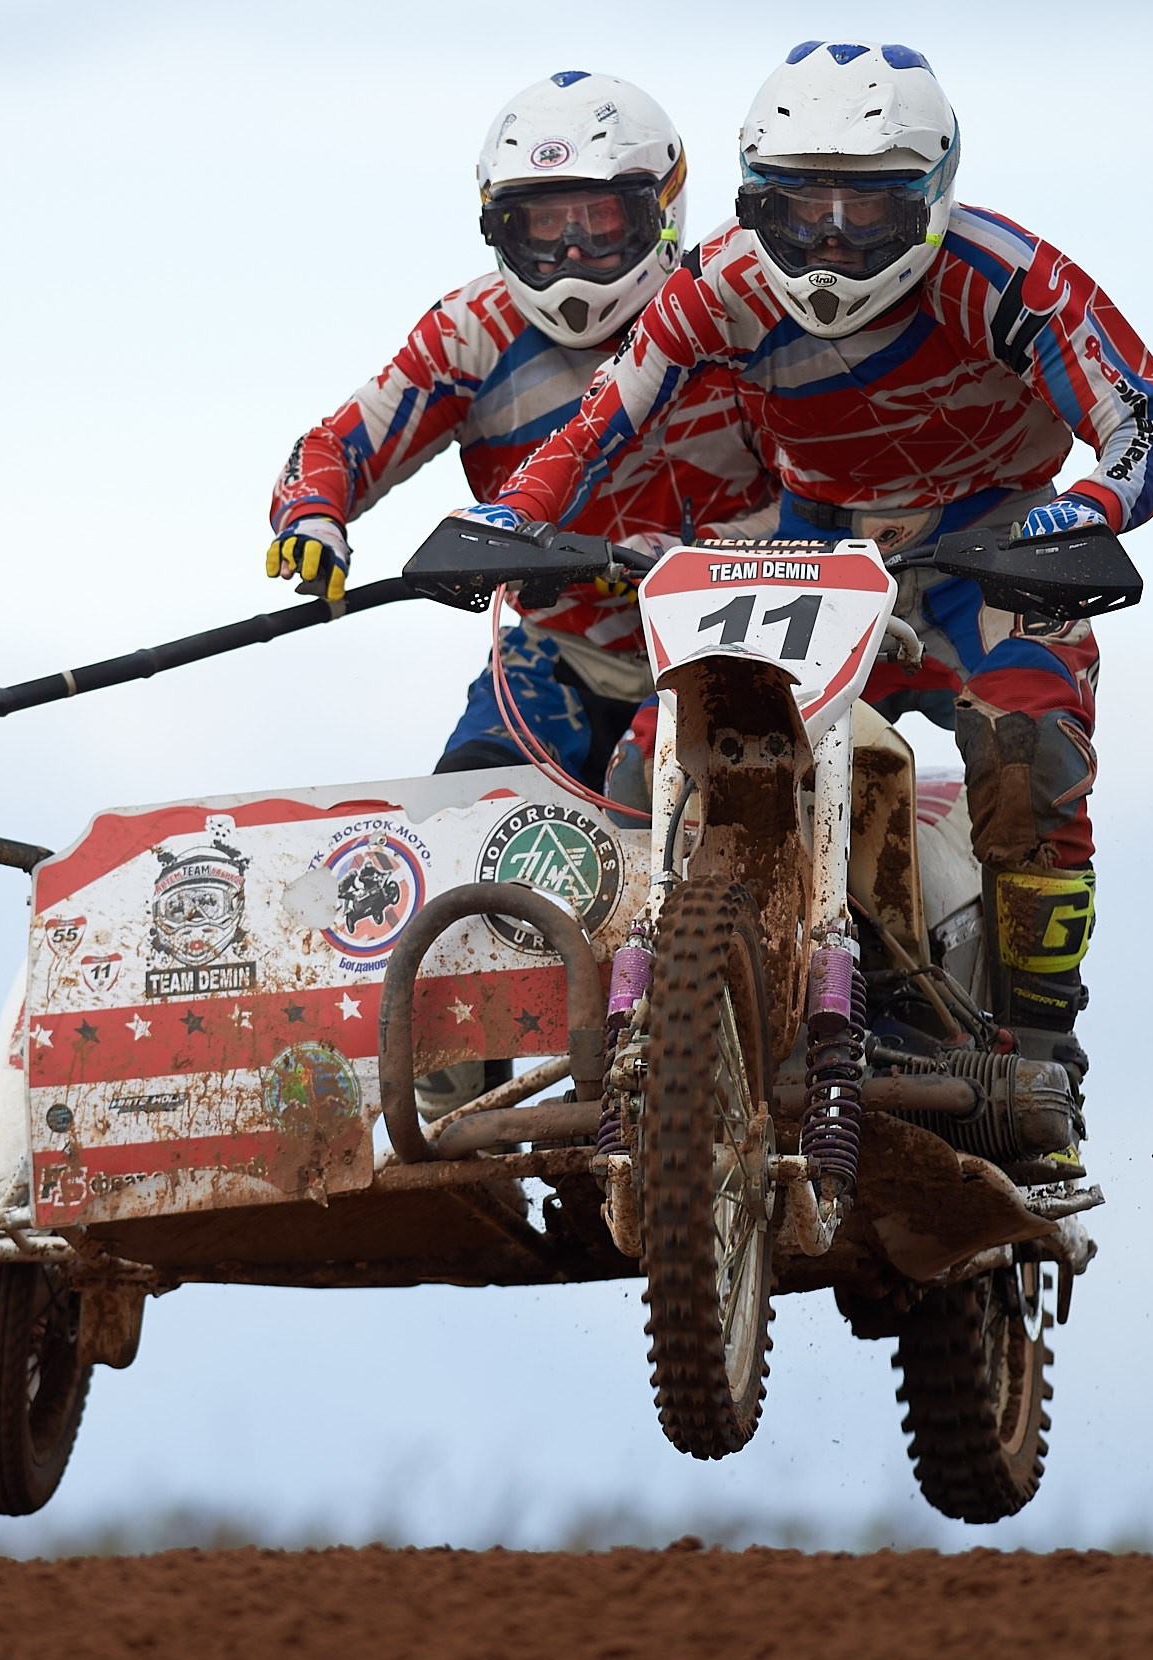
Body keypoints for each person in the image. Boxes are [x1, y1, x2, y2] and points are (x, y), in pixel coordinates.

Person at [471, 42, 1153, 1160]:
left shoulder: (1006, 278)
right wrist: (512, 516)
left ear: (935, 195)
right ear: (755, 195)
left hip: (988, 540)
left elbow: (1144, 418)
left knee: (1027, 754)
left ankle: (1045, 1062)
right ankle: (629, 1029)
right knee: (650, 754)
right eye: (799, 207)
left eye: (867, 211)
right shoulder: (722, 283)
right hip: (810, 541)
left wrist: (1083, 509)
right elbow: (602, 418)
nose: (830, 244)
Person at [266, 69, 776, 1116]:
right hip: (554, 642)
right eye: (543, 230)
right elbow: (341, 440)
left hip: (733, 633)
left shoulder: (741, 307)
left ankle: (708, 1053)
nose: (576, 258)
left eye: (602, 222)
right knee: (461, 829)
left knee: (665, 806)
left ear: (664, 210)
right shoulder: (470, 332)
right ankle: (446, 1102)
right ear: (497, 229)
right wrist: (312, 518)